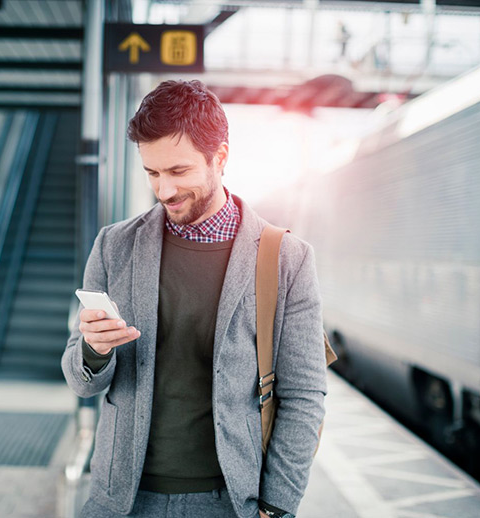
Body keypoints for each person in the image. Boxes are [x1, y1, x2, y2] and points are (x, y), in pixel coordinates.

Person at [61, 79, 327, 518]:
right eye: (152, 173)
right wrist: (94, 350)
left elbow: (304, 395)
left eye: (178, 171)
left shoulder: (285, 260)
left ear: (220, 157)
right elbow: (81, 381)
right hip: (120, 500)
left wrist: (278, 505)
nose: (164, 190)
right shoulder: (114, 246)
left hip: (228, 502)